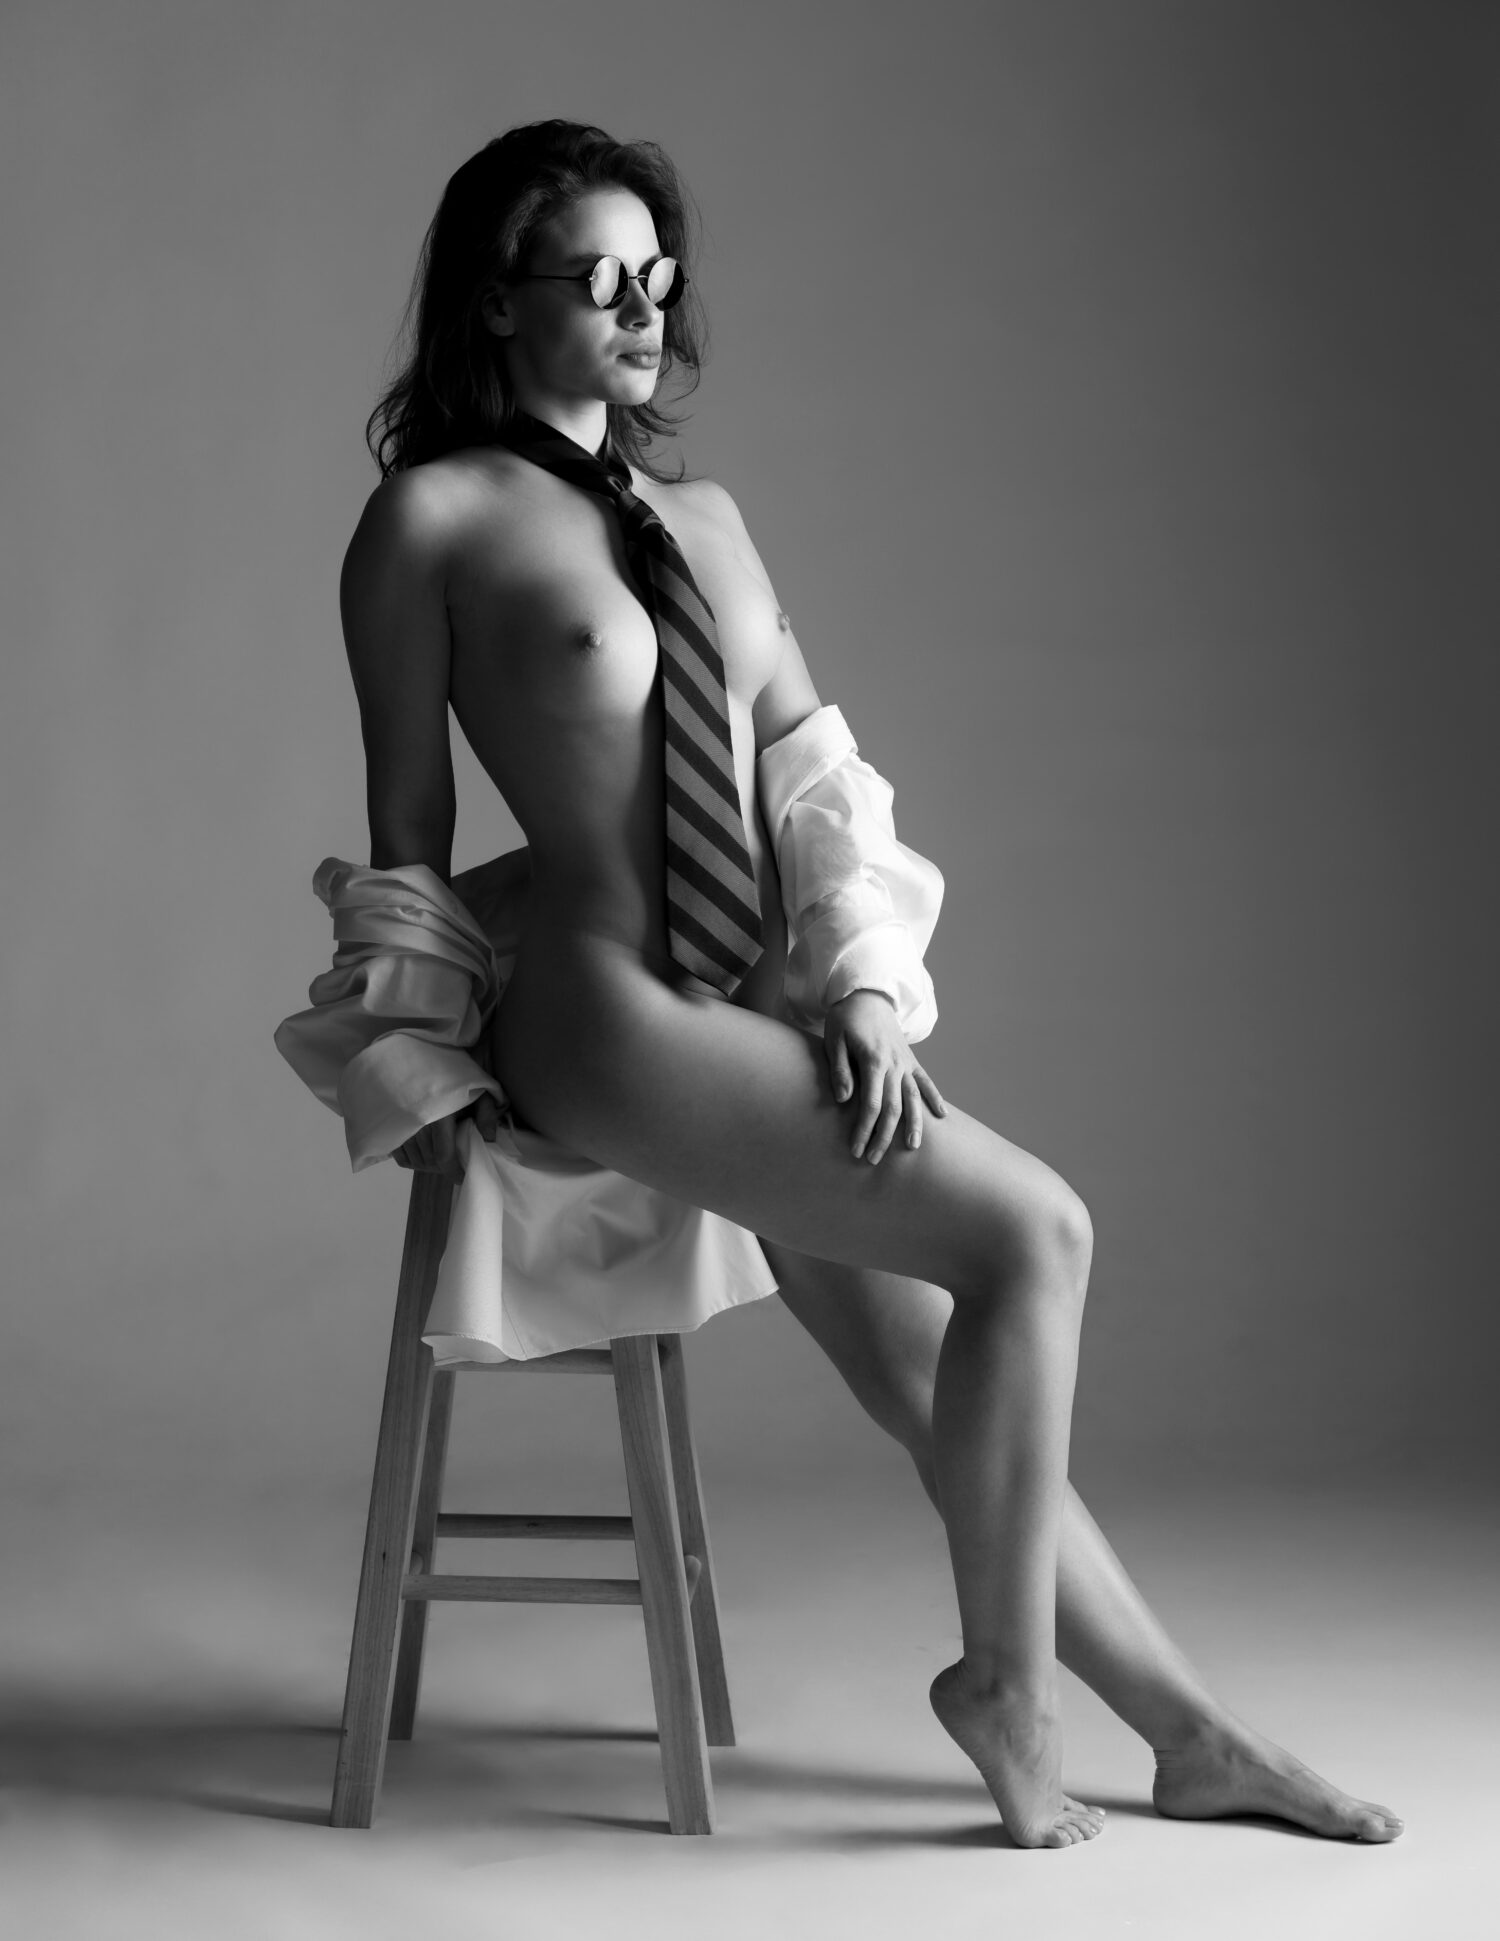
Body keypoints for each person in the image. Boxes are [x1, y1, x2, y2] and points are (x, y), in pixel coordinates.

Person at [338, 118, 1402, 1850]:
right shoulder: (432, 518)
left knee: (935, 1375)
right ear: (499, 300)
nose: (643, 309)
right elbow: (407, 826)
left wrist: (867, 992)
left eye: (658, 275)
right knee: (1036, 1234)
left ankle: (1192, 1732)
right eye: (599, 278)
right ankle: (1007, 1691)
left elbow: (811, 770)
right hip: (611, 1009)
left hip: (762, 996)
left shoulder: (707, 519)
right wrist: (425, 1070)